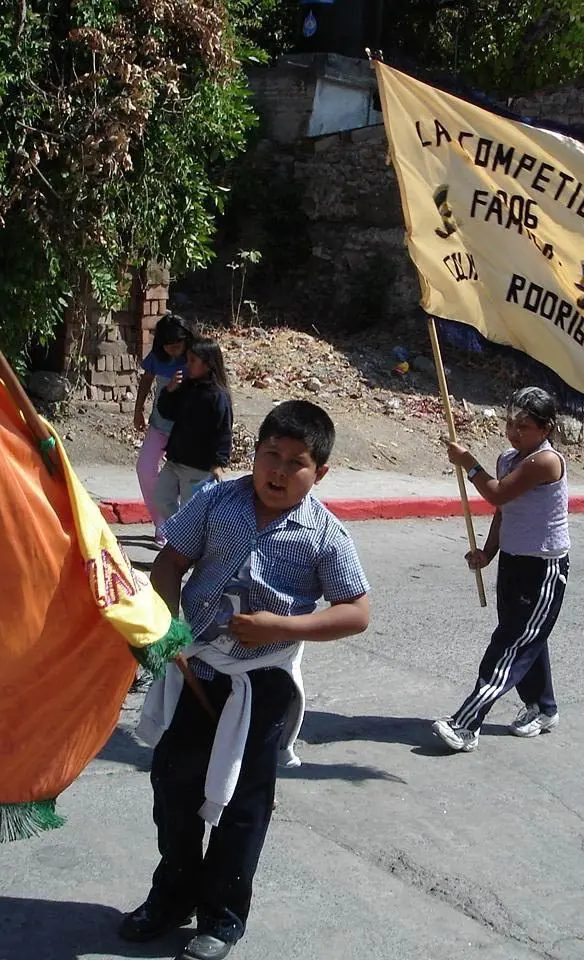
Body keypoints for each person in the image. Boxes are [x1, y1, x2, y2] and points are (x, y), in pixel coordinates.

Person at [123, 400, 371, 960]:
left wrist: (280, 627)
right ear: (253, 455)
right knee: (174, 784)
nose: (278, 471)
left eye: (296, 462)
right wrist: (168, 628)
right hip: (198, 667)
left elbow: (356, 611)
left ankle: (222, 917)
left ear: (320, 472)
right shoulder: (216, 501)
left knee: (244, 804)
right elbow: (168, 564)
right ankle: (172, 896)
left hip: (263, 684)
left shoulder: (323, 534)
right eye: (270, 456)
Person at [431, 386, 569, 753]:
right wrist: (488, 553)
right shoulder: (509, 458)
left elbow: (495, 493)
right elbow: (503, 509)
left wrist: (468, 462)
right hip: (513, 560)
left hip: (543, 567)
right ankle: (543, 707)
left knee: (509, 643)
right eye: (511, 424)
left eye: (523, 426)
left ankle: (465, 724)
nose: (513, 432)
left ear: (546, 428)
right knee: (524, 637)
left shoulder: (546, 461)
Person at [153, 337, 234, 525]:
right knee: (161, 499)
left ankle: (187, 547)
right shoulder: (187, 387)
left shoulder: (218, 396)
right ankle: (180, 539)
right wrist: (170, 391)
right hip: (175, 460)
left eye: (192, 361)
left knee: (190, 513)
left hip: (198, 467)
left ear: (207, 364)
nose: (187, 365)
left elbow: (223, 432)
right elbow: (167, 412)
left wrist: (219, 463)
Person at [134, 313, 195, 544]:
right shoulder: (158, 357)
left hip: (186, 429)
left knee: (181, 480)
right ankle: (162, 522)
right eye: (168, 346)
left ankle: (180, 529)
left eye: (177, 345)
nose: (173, 351)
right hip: (159, 424)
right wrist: (138, 409)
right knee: (145, 468)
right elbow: (147, 379)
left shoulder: (195, 356)